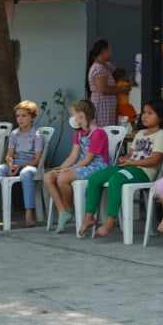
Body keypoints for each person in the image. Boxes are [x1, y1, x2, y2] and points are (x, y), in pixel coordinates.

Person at [84, 99, 163, 238]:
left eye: (150, 113)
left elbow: (155, 160)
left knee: (117, 179)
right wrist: (125, 159)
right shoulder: (140, 133)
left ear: (161, 117)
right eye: (144, 112)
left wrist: (131, 163)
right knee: (95, 178)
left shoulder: (161, 134)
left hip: (143, 172)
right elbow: (131, 154)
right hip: (129, 168)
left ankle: (110, 221)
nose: (145, 116)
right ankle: (89, 216)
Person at [43, 99, 111, 231]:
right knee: (48, 177)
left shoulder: (98, 133)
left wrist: (69, 170)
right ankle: (63, 212)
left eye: (74, 115)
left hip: (97, 166)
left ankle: (69, 208)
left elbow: (89, 159)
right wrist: (61, 167)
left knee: (62, 178)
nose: (72, 119)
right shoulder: (79, 133)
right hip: (83, 165)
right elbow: (73, 156)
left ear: (82, 115)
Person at [0, 100, 47, 229]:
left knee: (25, 173)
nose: (20, 119)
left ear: (32, 117)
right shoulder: (14, 134)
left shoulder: (37, 135)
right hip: (14, 164)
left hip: (30, 166)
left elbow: (36, 160)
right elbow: (9, 155)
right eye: (18, 116)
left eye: (24, 116)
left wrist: (20, 166)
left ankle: (29, 213)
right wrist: (10, 163)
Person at [86, 39, 118, 126]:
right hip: (102, 105)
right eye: (110, 50)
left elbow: (117, 72)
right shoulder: (99, 68)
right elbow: (103, 89)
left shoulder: (104, 65)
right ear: (103, 51)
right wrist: (120, 89)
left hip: (106, 105)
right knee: (104, 130)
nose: (111, 52)